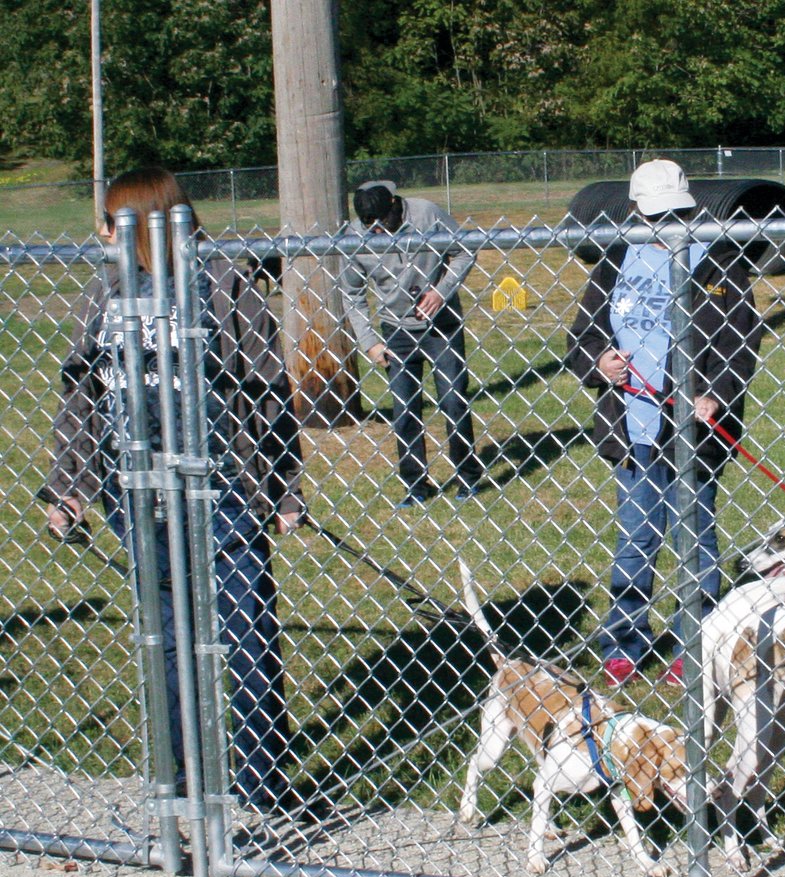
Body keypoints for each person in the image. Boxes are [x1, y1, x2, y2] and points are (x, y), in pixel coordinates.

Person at [40, 167, 306, 814]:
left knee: (247, 635)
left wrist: (283, 487)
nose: (98, 234)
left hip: (224, 492)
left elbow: (268, 392)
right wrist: (69, 487)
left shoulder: (223, 284)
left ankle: (263, 781)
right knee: (165, 638)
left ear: (133, 224)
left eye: (106, 222)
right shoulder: (103, 295)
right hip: (138, 496)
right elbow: (81, 397)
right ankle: (181, 782)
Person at [567, 159, 763, 688]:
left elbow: (740, 346)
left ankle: (693, 644)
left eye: (676, 214)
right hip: (635, 433)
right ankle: (624, 641)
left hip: (695, 437)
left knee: (696, 540)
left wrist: (714, 395)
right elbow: (581, 337)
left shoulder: (721, 264)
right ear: (634, 212)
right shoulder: (614, 262)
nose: (666, 225)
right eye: (655, 216)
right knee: (635, 540)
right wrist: (600, 362)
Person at [339, 180, 483, 508]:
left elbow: (464, 250)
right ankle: (415, 485)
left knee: (453, 401)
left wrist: (440, 291)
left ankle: (467, 475)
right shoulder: (354, 238)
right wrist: (370, 342)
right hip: (395, 333)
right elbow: (351, 292)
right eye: (369, 226)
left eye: (384, 223)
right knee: (405, 411)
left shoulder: (426, 213)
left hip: (441, 327)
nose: (378, 232)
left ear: (395, 204)